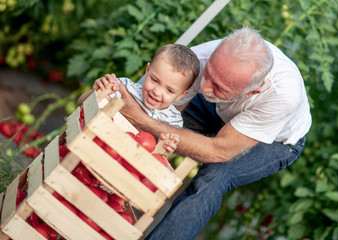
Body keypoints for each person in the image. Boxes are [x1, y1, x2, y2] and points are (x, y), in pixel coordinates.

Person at [102, 26, 312, 239]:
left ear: (251, 92)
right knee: (150, 127)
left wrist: (143, 121)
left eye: (219, 86)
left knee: (215, 178)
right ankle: (98, 201)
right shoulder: (203, 57)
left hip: (276, 140)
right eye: (209, 73)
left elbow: (218, 151)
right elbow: (143, 111)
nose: (204, 87)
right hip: (216, 107)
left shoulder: (281, 97)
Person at [78, 43, 200, 157]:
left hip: (125, 166)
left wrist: (165, 149)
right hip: (93, 145)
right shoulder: (124, 87)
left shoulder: (173, 122)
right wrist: (97, 92)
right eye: (155, 80)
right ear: (147, 71)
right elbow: (81, 104)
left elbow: (157, 159)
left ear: (181, 95)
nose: (157, 92)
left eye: (170, 91)